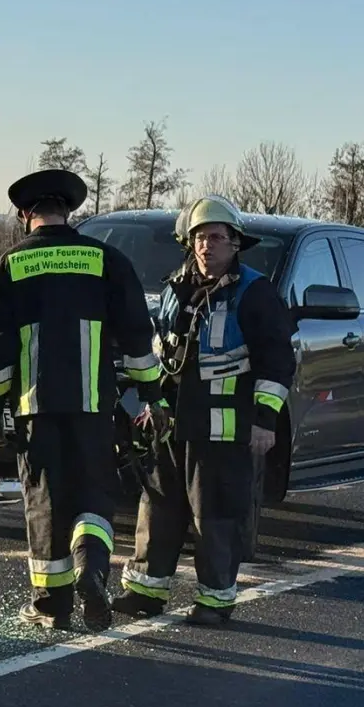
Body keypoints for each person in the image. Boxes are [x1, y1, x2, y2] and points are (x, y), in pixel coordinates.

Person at [0, 169, 168, 633]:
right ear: (69, 211)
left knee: (45, 500)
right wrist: (151, 395)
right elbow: (138, 336)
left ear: (26, 214)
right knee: (92, 494)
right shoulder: (107, 260)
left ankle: (51, 606)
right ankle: (93, 571)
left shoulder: (10, 265)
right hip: (92, 409)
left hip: (34, 408)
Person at [112, 195, 297, 627]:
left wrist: (265, 420)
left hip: (222, 428)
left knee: (213, 514)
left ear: (235, 243)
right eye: (199, 238)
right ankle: (145, 592)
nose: (206, 246)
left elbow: (277, 362)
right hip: (171, 424)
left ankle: (215, 602)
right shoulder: (176, 288)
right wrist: (151, 404)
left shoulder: (255, 292)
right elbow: (160, 353)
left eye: (216, 237)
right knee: (158, 506)